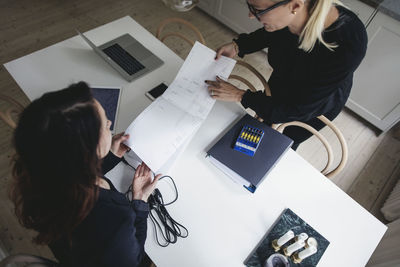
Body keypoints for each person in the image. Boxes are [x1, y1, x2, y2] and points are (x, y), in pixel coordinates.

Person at [10, 82, 160, 267]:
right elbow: (135, 263)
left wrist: (108, 156)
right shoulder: (113, 218)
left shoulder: (41, 172)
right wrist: (140, 202)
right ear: (87, 151)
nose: (110, 123)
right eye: (104, 125)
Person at [206, 0, 367, 150]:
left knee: (276, 146)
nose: (250, 15)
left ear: (295, 6)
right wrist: (239, 45)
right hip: (284, 82)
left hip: (312, 107)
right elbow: (270, 33)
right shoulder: (289, 16)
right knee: (255, 135)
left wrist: (240, 95)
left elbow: (297, 109)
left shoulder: (349, 40)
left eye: (258, 10)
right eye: (250, 6)